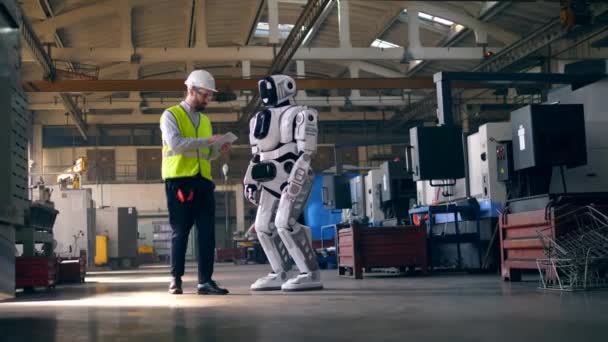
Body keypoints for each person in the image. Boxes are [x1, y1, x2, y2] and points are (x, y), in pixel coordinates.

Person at [243, 75, 323, 291]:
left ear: (285, 88)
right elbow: (257, 156)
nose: (265, 94)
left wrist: (295, 181)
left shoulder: (300, 114)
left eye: (268, 89)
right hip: (269, 177)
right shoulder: (258, 119)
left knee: (284, 223)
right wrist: (250, 181)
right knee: (262, 227)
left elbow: (306, 154)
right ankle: (280, 272)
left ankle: (310, 272)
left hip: (295, 175)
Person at [160, 69, 231, 295]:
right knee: (180, 231)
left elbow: (206, 154)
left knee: (207, 233)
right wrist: (207, 141)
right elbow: (175, 144)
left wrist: (218, 150)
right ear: (191, 90)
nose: (208, 100)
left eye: (210, 95)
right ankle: (176, 280)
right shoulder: (170, 115)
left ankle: (205, 281)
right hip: (180, 181)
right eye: (205, 95)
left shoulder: (205, 120)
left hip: (203, 182)